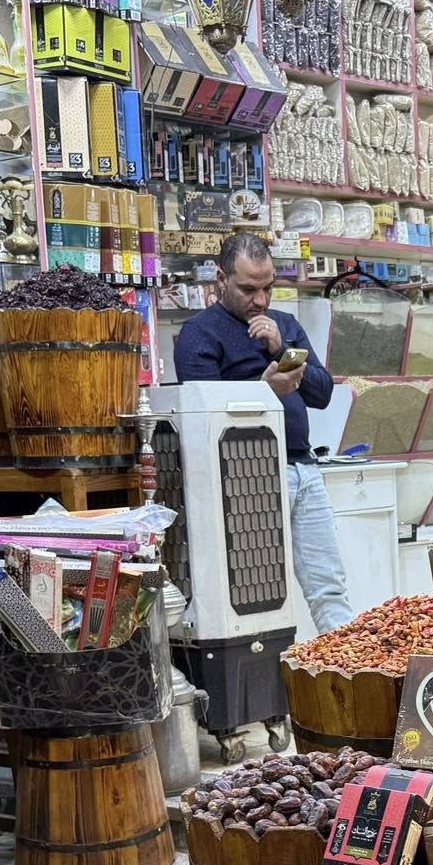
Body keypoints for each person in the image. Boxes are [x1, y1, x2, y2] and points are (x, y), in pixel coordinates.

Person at [172, 233, 352, 632]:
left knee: (329, 586)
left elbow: (322, 393)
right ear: (221, 280)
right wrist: (264, 390)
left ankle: (348, 664)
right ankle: (267, 669)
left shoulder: (284, 326)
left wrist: (280, 349)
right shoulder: (199, 333)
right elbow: (203, 417)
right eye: (248, 289)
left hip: (304, 468)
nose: (260, 300)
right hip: (244, 477)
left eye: (268, 288)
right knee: (256, 594)